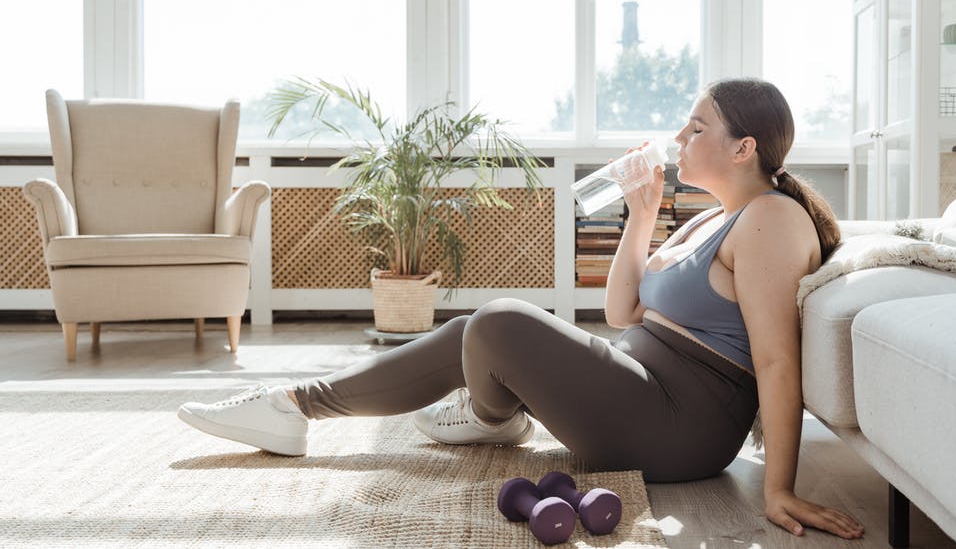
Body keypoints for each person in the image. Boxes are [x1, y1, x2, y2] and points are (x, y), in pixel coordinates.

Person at [178, 78, 864, 540]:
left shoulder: (773, 218)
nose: (678, 139)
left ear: (743, 148)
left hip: (682, 426)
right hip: (643, 391)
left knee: (500, 321)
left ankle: (484, 414)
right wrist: (643, 216)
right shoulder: (705, 219)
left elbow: (776, 359)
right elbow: (625, 311)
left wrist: (779, 487)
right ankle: (301, 408)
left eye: (696, 127)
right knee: (475, 329)